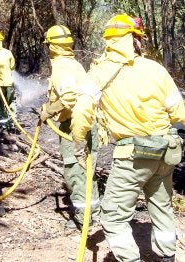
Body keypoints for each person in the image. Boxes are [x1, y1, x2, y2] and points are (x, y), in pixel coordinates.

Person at [71, 13, 185, 261]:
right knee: (162, 205)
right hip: (166, 151)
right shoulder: (156, 69)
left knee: (112, 214)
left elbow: (81, 110)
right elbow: (179, 111)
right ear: (135, 39)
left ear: (109, 41)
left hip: (134, 156)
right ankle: (168, 257)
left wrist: (79, 141)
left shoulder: (100, 72)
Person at [39, 25, 101, 229]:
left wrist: (49, 110)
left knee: (74, 171)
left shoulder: (61, 67)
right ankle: (94, 213)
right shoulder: (74, 64)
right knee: (87, 169)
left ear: (51, 46)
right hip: (89, 123)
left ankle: (82, 218)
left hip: (73, 125)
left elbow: (68, 97)